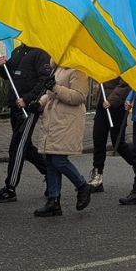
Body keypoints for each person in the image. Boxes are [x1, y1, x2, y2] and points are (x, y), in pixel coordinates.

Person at [32, 62, 94, 216]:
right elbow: (50, 93)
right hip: (53, 120)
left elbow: (79, 96)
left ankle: (82, 186)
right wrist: (40, 104)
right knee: (50, 160)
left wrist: (55, 87)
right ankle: (54, 200)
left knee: (59, 160)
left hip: (66, 121)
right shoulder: (58, 69)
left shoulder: (77, 71)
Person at [0, 44, 50, 203]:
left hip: (28, 109)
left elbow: (45, 80)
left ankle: (10, 188)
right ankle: (50, 173)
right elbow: (9, 75)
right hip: (15, 106)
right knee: (26, 147)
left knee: (17, 146)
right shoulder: (17, 51)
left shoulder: (40, 53)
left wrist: (28, 99)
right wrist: (2, 66)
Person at [89, 76, 134, 192]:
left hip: (117, 107)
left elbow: (125, 84)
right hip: (102, 104)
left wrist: (111, 100)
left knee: (118, 143)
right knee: (98, 140)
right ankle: (97, 175)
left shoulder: (122, 60)